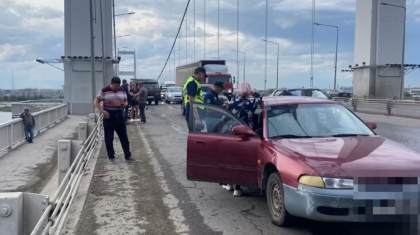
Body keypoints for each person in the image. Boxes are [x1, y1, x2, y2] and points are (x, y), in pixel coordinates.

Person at [224, 81, 262, 197]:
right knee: (242, 161)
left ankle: (230, 184)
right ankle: (238, 187)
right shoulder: (252, 102)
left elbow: (225, 112)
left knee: (232, 159)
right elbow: (260, 98)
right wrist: (253, 93)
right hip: (248, 134)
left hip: (234, 133)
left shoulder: (233, 103)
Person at [93, 77, 137, 164]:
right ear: (111, 84)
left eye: (118, 86)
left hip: (119, 116)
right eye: (115, 86)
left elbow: (126, 101)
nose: (117, 88)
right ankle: (111, 157)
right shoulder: (104, 91)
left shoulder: (122, 90)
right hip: (109, 117)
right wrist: (102, 111)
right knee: (109, 138)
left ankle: (128, 156)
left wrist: (125, 104)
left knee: (124, 138)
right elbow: (96, 102)